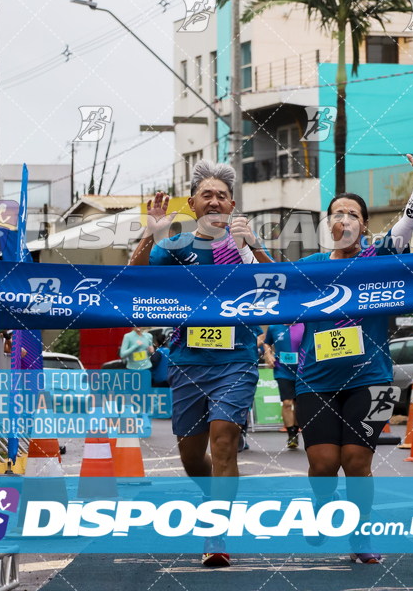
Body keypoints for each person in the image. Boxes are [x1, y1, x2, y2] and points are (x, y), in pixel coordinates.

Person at [294, 140, 413, 565]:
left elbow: (408, 226)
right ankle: (323, 509)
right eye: (337, 213)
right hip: (315, 381)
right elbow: (264, 287)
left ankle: (360, 534)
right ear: (328, 224)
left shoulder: (380, 259)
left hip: (372, 378)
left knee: (357, 461)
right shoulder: (310, 268)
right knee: (324, 465)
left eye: (353, 214)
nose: (345, 218)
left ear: (364, 225)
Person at [129, 159, 272, 568]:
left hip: (236, 361)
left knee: (224, 440)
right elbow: (134, 279)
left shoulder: (245, 245)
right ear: (192, 204)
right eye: (206, 194)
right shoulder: (176, 247)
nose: (214, 200)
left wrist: (256, 246)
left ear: (231, 205)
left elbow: (285, 287)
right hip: (188, 363)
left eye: (222, 196)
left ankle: (216, 532)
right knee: (192, 457)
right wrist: (149, 231)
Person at [264, 323, 304, 449]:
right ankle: (291, 434)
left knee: (299, 404)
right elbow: (266, 343)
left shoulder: (304, 325)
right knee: (287, 402)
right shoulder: (274, 327)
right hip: (282, 371)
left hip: (302, 370)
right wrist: (269, 355)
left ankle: (296, 429)